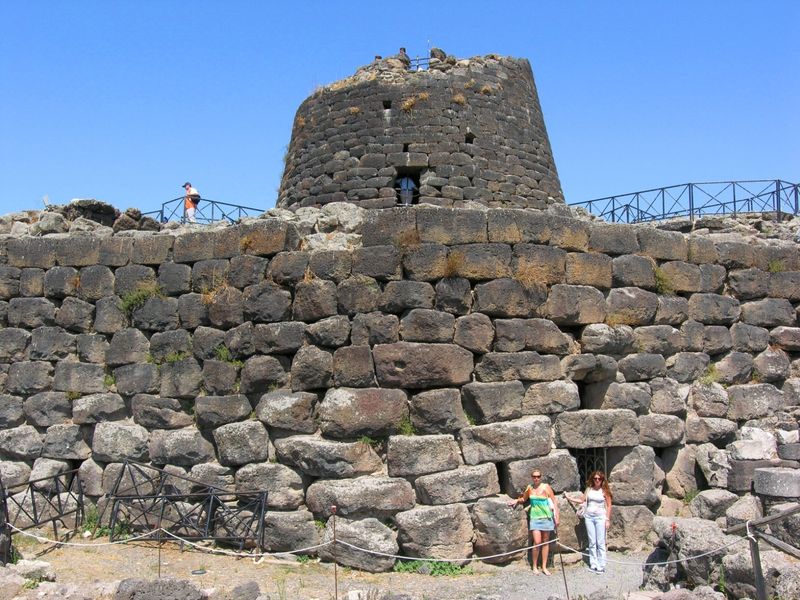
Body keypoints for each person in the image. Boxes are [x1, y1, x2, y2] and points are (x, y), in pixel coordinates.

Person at [508, 469, 559, 575]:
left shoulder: (546, 487)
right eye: (534, 476)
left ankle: (544, 566)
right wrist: (516, 500)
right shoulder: (530, 488)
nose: (536, 478)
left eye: (538, 476)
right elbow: (524, 498)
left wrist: (557, 516)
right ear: (532, 477)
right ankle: (534, 565)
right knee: (537, 542)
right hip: (535, 518)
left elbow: (554, 501)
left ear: (541, 477)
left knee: (545, 542)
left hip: (546, 517)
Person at [567, 471, 613, 573]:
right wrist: (570, 498)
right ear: (592, 479)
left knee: (600, 542)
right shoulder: (589, 490)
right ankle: (593, 563)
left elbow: (609, 505)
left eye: (599, 479)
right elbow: (582, 500)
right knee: (592, 541)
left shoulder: (604, 491)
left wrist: (607, 519)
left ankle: (601, 565)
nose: (597, 480)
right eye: (595, 478)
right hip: (589, 517)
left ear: (602, 480)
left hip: (600, 517)